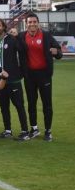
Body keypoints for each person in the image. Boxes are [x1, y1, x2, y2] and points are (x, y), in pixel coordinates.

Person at [18, 13, 62, 141]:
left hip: (44, 75)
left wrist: (56, 52)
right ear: (26, 24)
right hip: (29, 76)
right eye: (29, 22)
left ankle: (48, 131)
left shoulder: (46, 35)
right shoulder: (21, 36)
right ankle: (34, 128)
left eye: (34, 22)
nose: (32, 24)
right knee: (31, 103)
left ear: (38, 23)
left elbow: (59, 52)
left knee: (47, 104)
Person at [0, 18, 29, 140]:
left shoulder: (12, 39)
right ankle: (7, 130)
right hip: (0, 82)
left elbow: (24, 49)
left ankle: (25, 131)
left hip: (13, 80)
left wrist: (18, 37)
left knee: (19, 106)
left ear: (4, 26)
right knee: (4, 107)